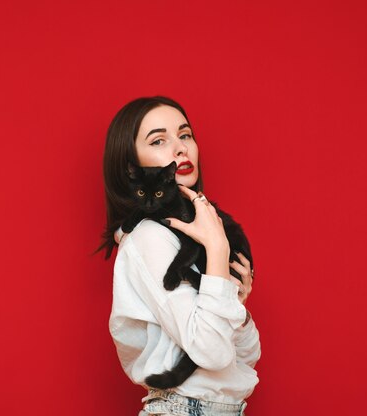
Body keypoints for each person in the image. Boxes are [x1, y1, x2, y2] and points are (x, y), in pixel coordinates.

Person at [99, 96, 261, 416]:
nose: (180, 148)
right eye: (159, 140)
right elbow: (212, 354)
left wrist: (235, 301)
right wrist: (217, 249)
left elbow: (246, 356)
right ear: (130, 166)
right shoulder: (150, 236)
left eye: (185, 135)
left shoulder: (195, 232)